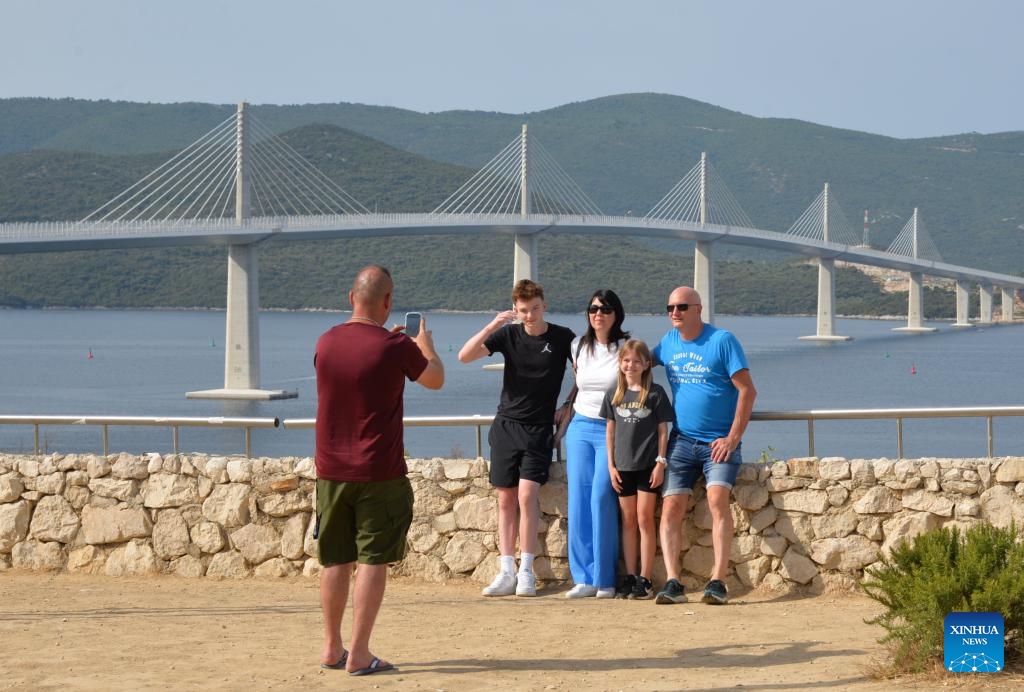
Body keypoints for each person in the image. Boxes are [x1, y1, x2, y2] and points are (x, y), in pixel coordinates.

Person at [314, 265, 445, 675]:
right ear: (388, 302)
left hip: (330, 471)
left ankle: (332, 647)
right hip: (379, 471)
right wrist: (425, 345)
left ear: (350, 297)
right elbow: (436, 380)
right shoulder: (394, 345)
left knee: (335, 559)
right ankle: (360, 652)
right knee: (372, 560)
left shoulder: (326, 341)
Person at [459, 279, 575, 597]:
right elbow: (464, 356)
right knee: (505, 499)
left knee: (527, 497)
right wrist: (493, 324)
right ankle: (506, 570)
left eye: (534, 308)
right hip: (506, 426)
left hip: (538, 429)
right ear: (516, 309)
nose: (529, 315)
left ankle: (526, 571)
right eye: (523, 310)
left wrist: (568, 404)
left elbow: (585, 372)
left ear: (544, 305)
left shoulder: (563, 337)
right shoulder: (508, 334)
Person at [652, 286, 756, 606]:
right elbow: (634, 363)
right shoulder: (667, 343)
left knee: (717, 500)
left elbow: (747, 391)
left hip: (718, 442)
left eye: (682, 307)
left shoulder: (722, 341)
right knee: (670, 508)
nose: (675, 312)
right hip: (681, 440)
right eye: (670, 307)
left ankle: (718, 581)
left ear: (698, 309)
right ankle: (673, 582)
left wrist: (733, 437)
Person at [563, 290, 630, 599]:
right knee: (578, 500)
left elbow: (637, 388)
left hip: (610, 429)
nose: (597, 313)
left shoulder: (625, 348)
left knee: (602, 498)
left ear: (616, 314)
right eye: (592, 308)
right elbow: (578, 383)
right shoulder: (578, 346)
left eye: (604, 309)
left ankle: (605, 578)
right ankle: (583, 578)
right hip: (579, 427)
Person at [601, 339, 674, 600]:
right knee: (628, 521)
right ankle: (631, 576)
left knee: (645, 520)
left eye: (636, 361)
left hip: (647, 466)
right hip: (622, 466)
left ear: (646, 364)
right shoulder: (614, 394)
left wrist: (660, 462)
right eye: (626, 360)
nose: (630, 365)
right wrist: (610, 466)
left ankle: (645, 579)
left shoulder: (655, 393)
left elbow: (663, 430)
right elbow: (610, 432)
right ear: (620, 363)